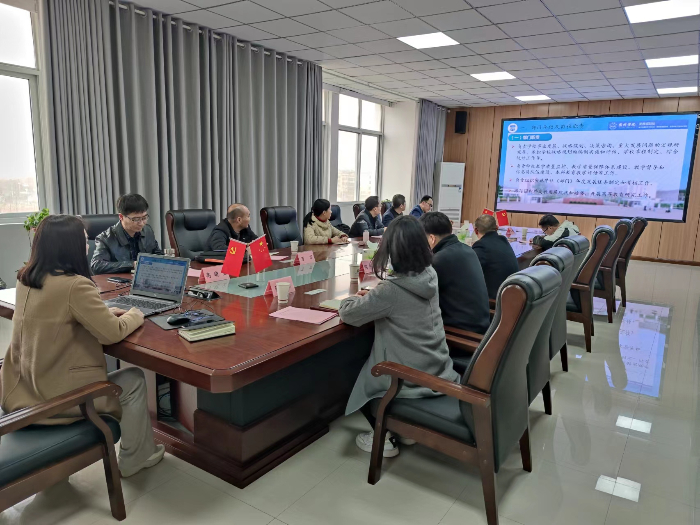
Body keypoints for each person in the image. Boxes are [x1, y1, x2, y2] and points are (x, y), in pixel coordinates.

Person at [1, 215, 164, 478]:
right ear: (70, 246)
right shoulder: (75, 285)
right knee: (133, 378)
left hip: (21, 389)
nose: (87, 245)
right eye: (84, 240)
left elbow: (60, 314)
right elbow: (112, 334)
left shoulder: (26, 279)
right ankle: (136, 457)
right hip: (55, 399)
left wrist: (103, 312)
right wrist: (136, 312)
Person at [339, 215, 460, 458]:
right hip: (437, 367)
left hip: (408, 380)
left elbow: (349, 314)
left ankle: (383, 435)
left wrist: (353, 298)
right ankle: (404, 427)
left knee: (351, 364)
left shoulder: (391, 290)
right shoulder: (429, 274)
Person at [420, 212, 490, 334]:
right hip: (482, 328)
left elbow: (420, 294)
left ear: (431, 238)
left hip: (460, 334)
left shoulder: (440, 259)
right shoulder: (468, 250)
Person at [91, 193, 163, 275]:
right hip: (121, 281)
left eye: (144, 218)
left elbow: (157, 254)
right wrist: (132, 265)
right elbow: (96, 266)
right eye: (136, 219)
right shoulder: (105, 238)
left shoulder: (147, 230)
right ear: (121, 217)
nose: (141, 223)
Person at [472, 214, 520, 300]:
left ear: (476, 230)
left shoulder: (481, 245)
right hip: (512, 294)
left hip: (495, 298)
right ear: (497, 228)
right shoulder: (503, 240)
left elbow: (470, 271)